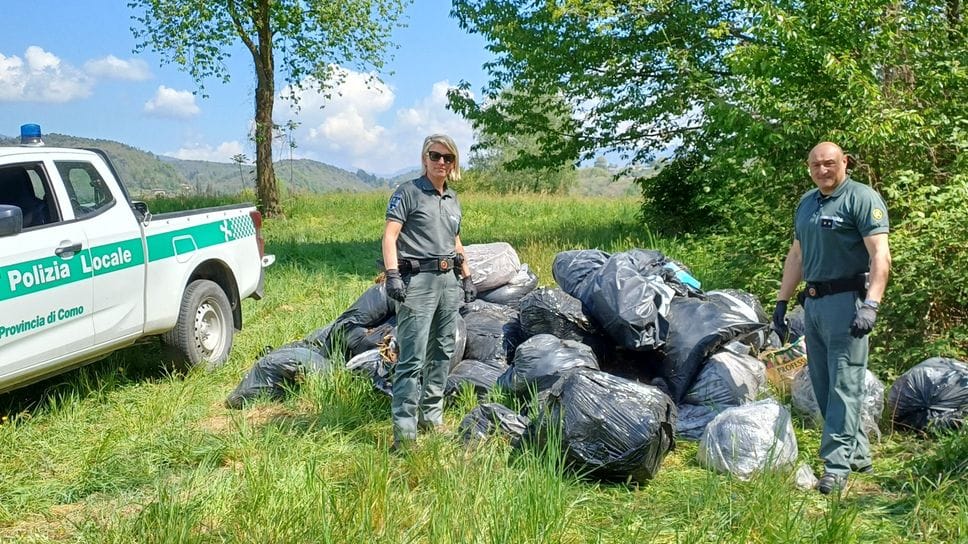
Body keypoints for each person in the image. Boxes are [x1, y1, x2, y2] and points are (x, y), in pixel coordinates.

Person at [773, 141, 891, 495]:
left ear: (845, 163)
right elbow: (797, 254)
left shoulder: (861, 198)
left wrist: (871, 304)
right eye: (815, 165)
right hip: (814, 303)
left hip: (847, 303)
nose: (822, 171)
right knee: (824, 386)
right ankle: (857, 453)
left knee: (845, 384)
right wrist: (781, 301)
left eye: (829, 164)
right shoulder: (807, 202)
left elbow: (880, 256)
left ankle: (836, 466)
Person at [381, 134, 477, 451]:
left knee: (442, 351)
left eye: (447, 158)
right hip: (417, 283)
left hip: (448, 281)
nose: (441, 163)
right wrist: (393, 275)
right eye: (435, 156)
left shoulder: (452, 200)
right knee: (412, 357)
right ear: (424, 158)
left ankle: (431, 419)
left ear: (453, 164)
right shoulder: (408, 193)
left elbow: (456, 241)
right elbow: (390, 236)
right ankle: (405, 435)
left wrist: (467, 276)